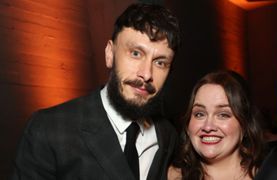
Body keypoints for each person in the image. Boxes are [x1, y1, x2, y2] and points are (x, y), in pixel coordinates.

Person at [11, 3, 181, 180]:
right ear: (110, 54)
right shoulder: (49, 129)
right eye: (136, 53)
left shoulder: (166, 136)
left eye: (160, 62)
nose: (146, 74)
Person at [167, 70, 265, 180]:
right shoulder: (169, 176)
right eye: (199, 114)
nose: (208, 127)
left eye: (223, 115)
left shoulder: (269, 175)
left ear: (245, 125)